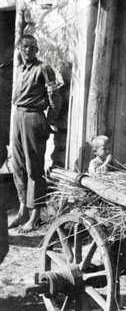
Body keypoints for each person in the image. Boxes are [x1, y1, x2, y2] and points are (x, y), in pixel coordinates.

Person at [8, 34, 61, 231]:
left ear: (37, 49)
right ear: (19, 50)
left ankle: (35, 215)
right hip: (18, 115)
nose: (27, 51)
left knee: (34, 168)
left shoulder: (43, 69)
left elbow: (55, 96)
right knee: (18, 165)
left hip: (33, 118)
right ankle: (22, 211)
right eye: (23, 47)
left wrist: (49, 121)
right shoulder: (20, 69)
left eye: (31, 47)